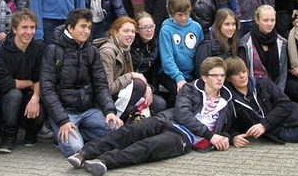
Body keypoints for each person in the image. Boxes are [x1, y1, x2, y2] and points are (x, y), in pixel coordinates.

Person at [67, 57, 234, 175]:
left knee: (148, 147)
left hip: (183, 138)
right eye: (215, 75)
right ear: (204, 77)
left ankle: (104, 161)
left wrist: (229, 137)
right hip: (167, 120)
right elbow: (182, 114)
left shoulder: (226, 101)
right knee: (128, 132)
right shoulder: (191, 89)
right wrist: (210, 135)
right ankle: (85, 153)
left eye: (222, 75)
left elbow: (226, 128)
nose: (219, 79)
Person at [39, 9, 123, 158]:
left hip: (87, 111)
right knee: (75, 148)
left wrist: (110, 111)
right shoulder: (52, 50)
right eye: (83, 27)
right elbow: (47, 89)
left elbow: (100, 85)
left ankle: (80, 133)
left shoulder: (92, 51)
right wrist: (62, 120)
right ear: (70, 28)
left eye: (89, 28)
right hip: (64, 113)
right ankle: (68, 133)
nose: (87, 31)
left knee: (120, 131)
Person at [0, 9, 45, 154]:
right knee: (14, 95)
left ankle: (31, 134)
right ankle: (8, 137)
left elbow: (41, 76)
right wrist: (30, 83)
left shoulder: (39, 48)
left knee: (40, 108)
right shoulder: (0, 51)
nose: (29, 32)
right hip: (5, 98)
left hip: (29, 95)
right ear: (14, 29)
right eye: (24, 27)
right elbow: (4, 83)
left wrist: (35, 97)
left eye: (32, 27)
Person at [99, 17, 159, 121]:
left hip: (123, 91)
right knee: (138, 85)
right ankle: (120, 119)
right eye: (126, 31)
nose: (130, 34)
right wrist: (131, 75)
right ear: (115, 32)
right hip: (108, 100)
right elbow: (107, 88)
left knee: (159, 105)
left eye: (132, 31)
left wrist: (147, 87)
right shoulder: (107, 52)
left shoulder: (125, 49)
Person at [159, 0, 204, 106]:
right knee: (180, 93)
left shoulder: (196, 27)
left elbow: (201, 53)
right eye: (179, 15)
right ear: (172, 13)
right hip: (171, 74)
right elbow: (167, 59)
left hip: (192, 73)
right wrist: (179, 77)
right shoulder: (166, 30)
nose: (183, 18)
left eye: (186, 14)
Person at [238, 5, 288, 92]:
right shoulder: (245, 43)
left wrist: (278, 93)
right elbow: (244, 72)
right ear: (257, 20)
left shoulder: (282, 42)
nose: (269, 24)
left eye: (272, 20)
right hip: (254, 88)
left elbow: (283, 73)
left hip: (275, 89)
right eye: (265, 20)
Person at [129, 12, 167, 113]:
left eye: (151, 26)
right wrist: (145, 87)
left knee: (160, 104)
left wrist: (152, 90)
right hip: (129, 86)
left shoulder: (155, 45)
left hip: (147, 86)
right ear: (137, 29)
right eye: (145, 27)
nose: (149, 30)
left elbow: (154, 73)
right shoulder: (129, 44)